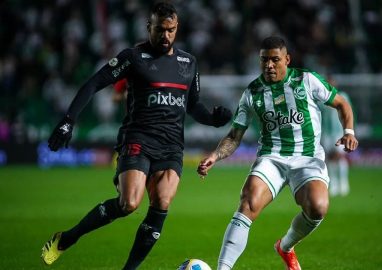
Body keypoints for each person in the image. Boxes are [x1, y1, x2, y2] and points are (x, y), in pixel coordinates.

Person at [41, 2, 232, 269]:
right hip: (138, 139)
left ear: (177, 29)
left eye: (171, 30)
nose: (165, 36)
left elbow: (193, 105)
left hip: (172, 146)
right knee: (129, 203)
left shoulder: (188, 63)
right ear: (149, 28)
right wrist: (68, 120)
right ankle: (68, 238)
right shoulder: (133, 57)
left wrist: (213, 119)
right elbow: (94, 83)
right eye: (160, 30)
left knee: (162, 201)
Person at [197, 36, 358, 270]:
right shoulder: (252, 92)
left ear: (287, 60)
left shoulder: (307, 80)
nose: (269, 65)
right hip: (271, 158)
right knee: (248, 203)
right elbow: (234, 136)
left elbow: (342, 103)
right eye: (264, 60)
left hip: (307, 157)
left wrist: (349, 132)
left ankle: (285, 247)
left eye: (275, 60)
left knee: (318, 207)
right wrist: (215, 155)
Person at [321, 89, 352, 196]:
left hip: (339, 131)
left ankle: (343, 183)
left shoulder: (342, 96)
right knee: (330, 158)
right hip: (326, 133)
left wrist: (349, 131)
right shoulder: (322, 97)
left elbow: (348, 112)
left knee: (340, 156)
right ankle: (333, 183)